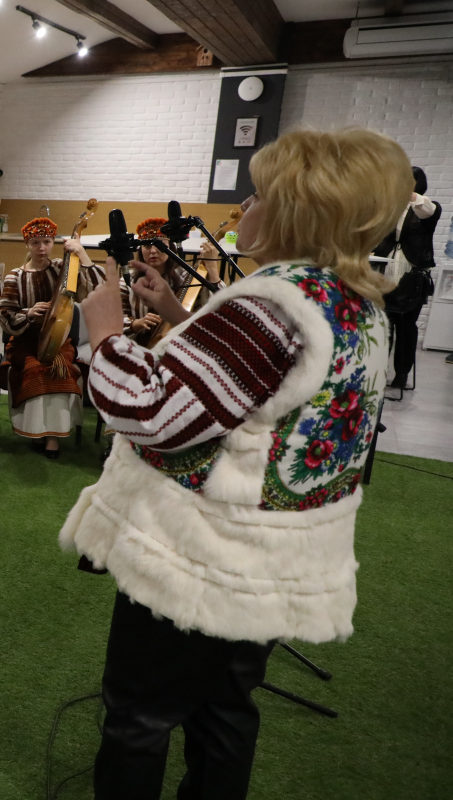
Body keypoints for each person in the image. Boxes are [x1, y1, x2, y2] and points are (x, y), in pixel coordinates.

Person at [62, 127, 410, 800]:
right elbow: (268, 406)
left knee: (140, 717)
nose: (242, 209)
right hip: (274, 561)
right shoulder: (356, 303)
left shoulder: (268, 306)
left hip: (201, 558)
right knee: (225, 710)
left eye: (255, 195)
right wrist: (172, 313)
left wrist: (104, 332)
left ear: (294, 211)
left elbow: (152, 414)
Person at [0, 218, 104, 458]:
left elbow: (98, 287)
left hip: (59, 340)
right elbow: (5, 315)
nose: (42, 247)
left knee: (61, 369)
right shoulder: (15, 276)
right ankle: (35, 430)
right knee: (34, 369)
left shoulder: (61, 268)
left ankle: (53, 437)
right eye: (36, 242)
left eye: (46, 241)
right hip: (24, 339)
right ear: (28, 244)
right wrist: (28, 313)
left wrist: (82, 255)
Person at [374, 166, 441, 388]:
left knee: (406, 325)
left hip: (412, 276)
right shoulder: (390, 208)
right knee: (383, 323)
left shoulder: (429, 207)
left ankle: (402, 373)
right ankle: (378, 371)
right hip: (385, 271)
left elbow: (425, 208)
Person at [122, 217, 224, 341]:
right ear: (140, 250)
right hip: (137, 346)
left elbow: (218, 307)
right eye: (147, 246)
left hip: (179, 344)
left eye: (160, 245)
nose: (153, 251)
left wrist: (212, 269)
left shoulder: (187, 276)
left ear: (170, 247)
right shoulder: (128, 281)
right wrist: (135, 324)